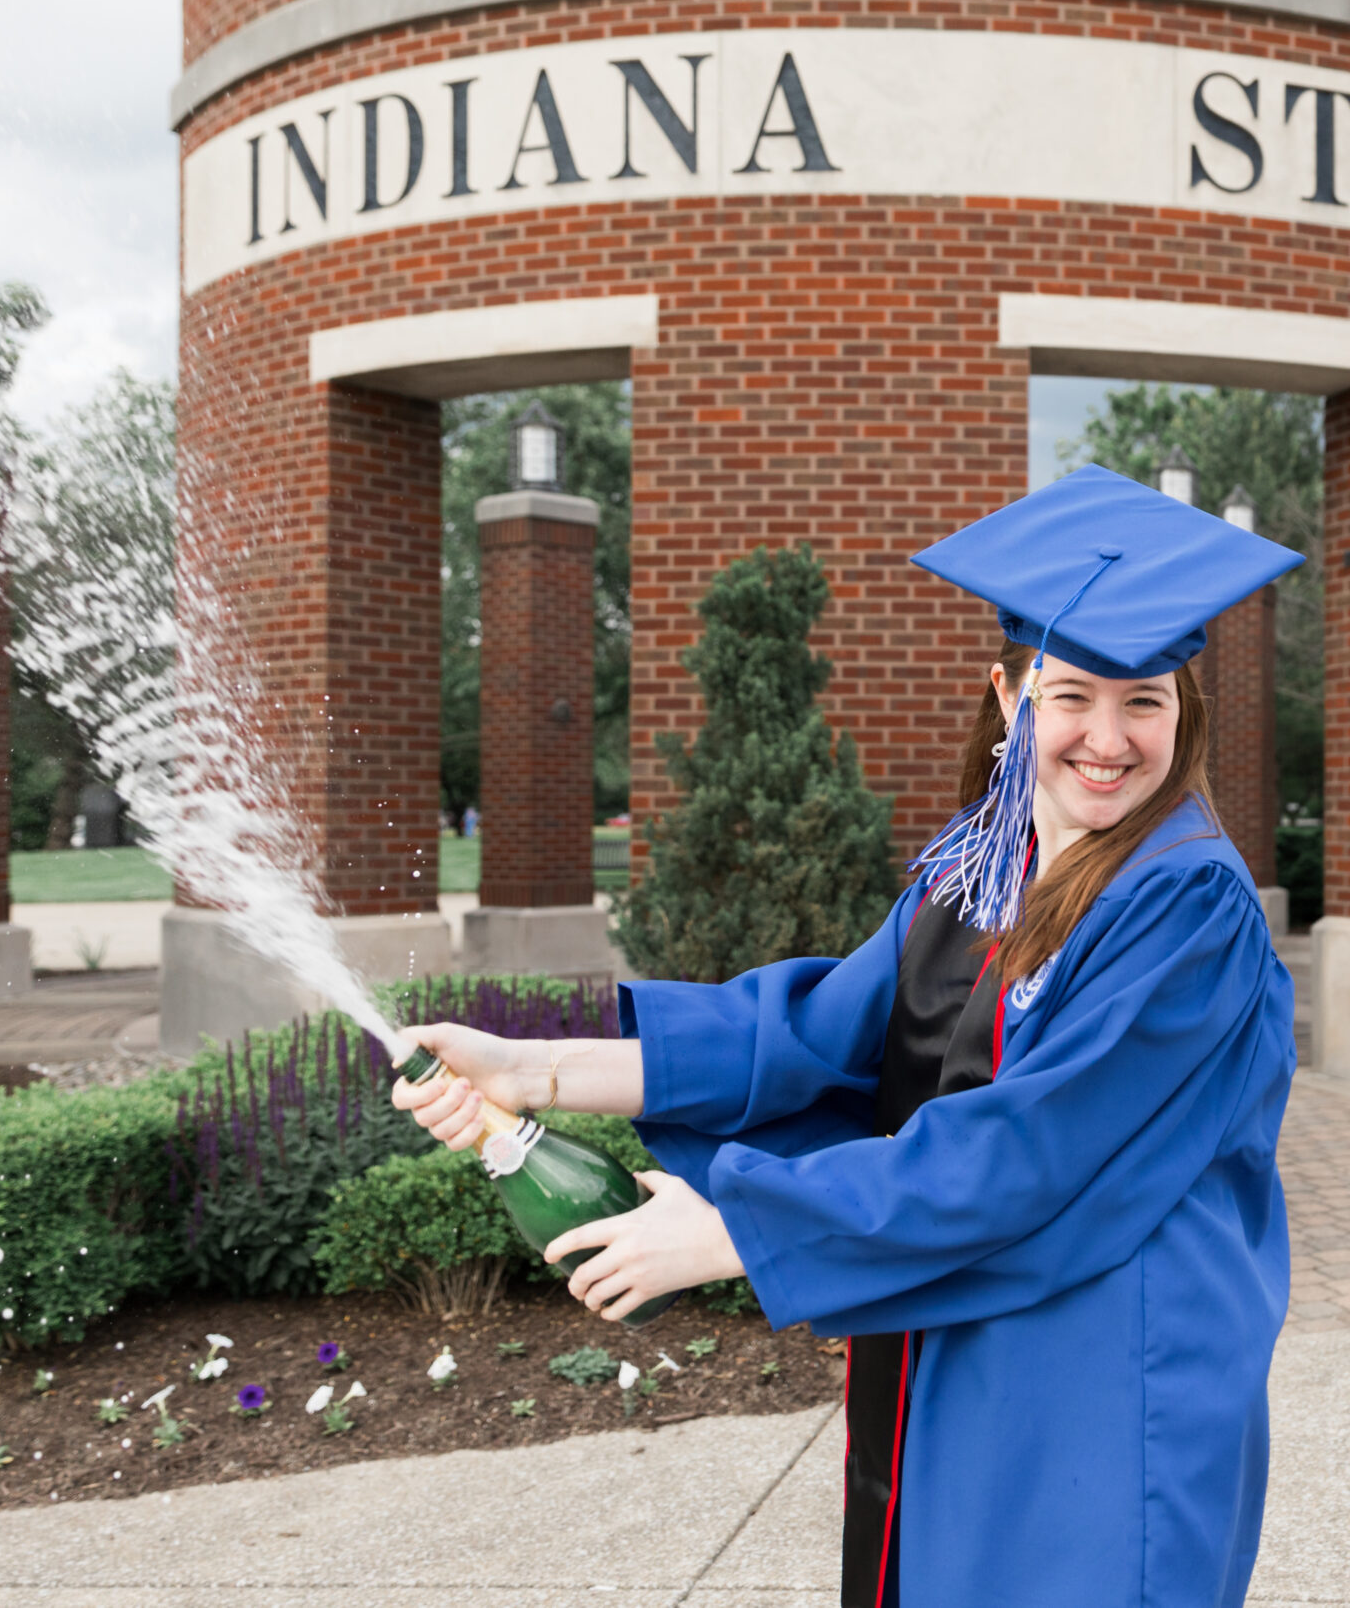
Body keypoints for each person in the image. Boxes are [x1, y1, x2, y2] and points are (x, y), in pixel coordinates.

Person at [392, 465, 1303, 1607]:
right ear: (1010, 698)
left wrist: (736, 1228)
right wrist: (534, 1068)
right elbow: (812, 1038)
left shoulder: (1187, 909)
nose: (1107, 739)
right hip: (967, 1339)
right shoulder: (981, 867)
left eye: (1145, 702)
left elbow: (1027, 1152)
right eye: (1072, 696)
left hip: (1108, 1374)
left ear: (1187, 712)